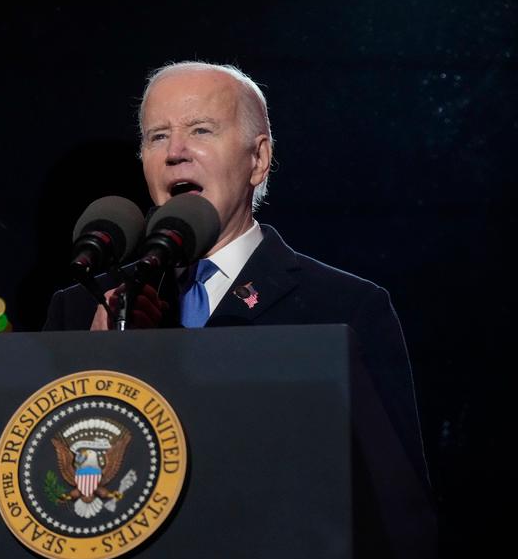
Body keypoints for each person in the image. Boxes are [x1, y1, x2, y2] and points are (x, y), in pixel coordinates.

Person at [43, 61, 428, 483]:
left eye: (200, 130)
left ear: (259, 159)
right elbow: (50, 477)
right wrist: (96, 366)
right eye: (157, 136)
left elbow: (394, 502)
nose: (175, 152)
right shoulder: (81, 307)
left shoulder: (343, 309)